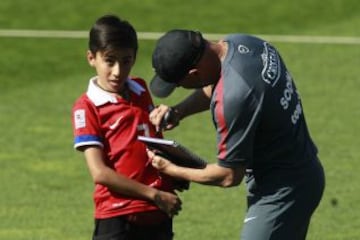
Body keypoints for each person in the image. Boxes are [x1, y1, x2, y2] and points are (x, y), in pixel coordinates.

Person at [146, 29, 325, 240]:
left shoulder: (235, 97)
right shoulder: (242, 43)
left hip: (283, 192)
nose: (180, 88)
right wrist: (179, 111)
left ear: (194, 74)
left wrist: (172, 169)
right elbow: (218, 84)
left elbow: (229, 176)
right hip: (301, 173)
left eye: (179, 84)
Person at [70, 15, 182, 240]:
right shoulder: (87, 107)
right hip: (117, 215)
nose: (118, 71)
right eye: (109, 61)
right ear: (92, 58)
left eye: (126, 61)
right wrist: (154, 194)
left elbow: (150, 141)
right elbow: (100, 173)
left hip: (156, 212)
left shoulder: (140, 88)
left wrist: (175, 170)